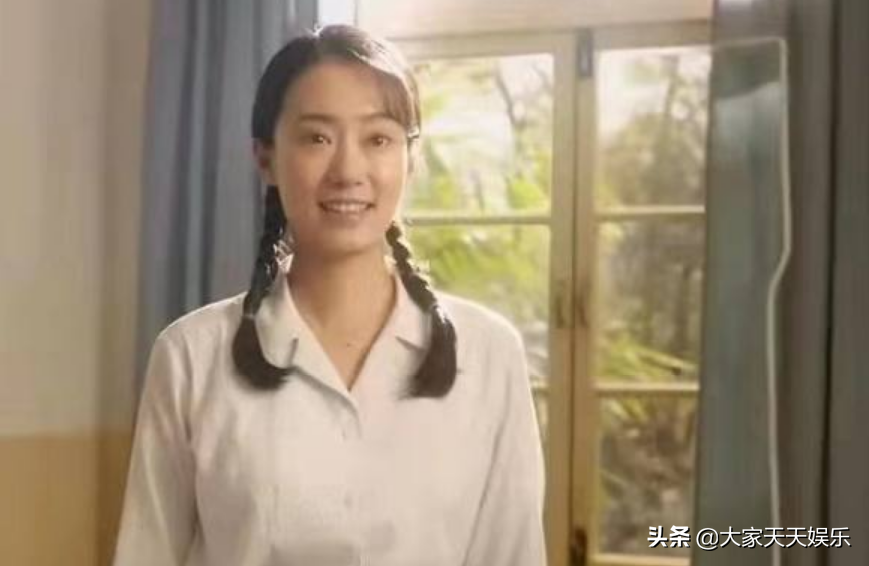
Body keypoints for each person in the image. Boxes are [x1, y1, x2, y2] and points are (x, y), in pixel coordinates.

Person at [113, 24, 546, 566]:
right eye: (317, 138)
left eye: (378, 139)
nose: (348, 171)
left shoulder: (487, 354)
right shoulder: (190, 356)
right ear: (265, 158)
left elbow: (512, 553)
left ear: (410, 158)